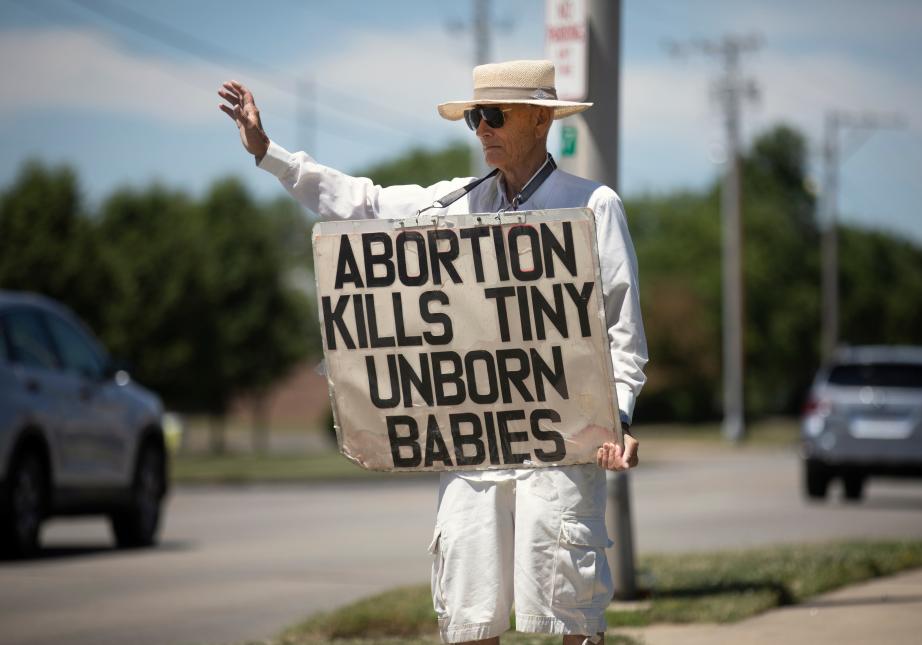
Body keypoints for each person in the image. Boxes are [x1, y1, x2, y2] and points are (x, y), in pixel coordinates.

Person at [219, 59, 648, 645]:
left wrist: (617, 418)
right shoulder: (453, 203)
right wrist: (269, 152)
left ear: (538, 121)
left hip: (563, 437)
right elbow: (362, 205)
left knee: (567, 608)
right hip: (473, 440)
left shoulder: (592, 204)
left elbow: (622, 328)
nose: (482, 129)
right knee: (469, 614)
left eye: (493, 115)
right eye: (475, 117)